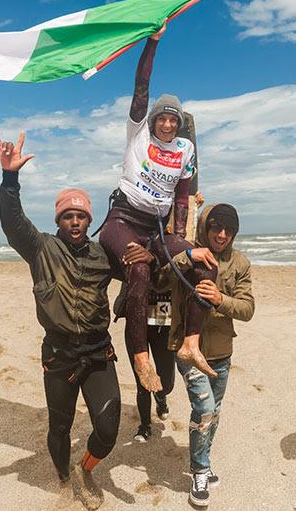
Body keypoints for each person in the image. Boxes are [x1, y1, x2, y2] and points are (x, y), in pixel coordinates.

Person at [0, 132, 154, 509]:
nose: (75, 221)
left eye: (81, 215)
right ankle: (65, 478)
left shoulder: (102, 256)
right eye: (68, 215)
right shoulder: (41, 249)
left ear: (89, 219)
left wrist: (148, 256)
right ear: (59, 220)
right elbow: (13, 223)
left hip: (98, 353)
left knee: (108, 428)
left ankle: (86, 467)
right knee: (60, 428)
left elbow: (137, 272)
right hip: (60, 356)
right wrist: (9, 180)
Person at [98, 23, 217, 389]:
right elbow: (141, 88)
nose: (167, 123)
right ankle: (140, 355)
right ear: (153, 119)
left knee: (205, 262)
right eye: (162, 117)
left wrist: (181, 242)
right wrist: (152, 42)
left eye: (173, 119)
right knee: (139, 267)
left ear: (179, 124)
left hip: (157, 229)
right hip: (122, 220)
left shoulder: (185, 150)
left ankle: (191, 343)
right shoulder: (139, 132)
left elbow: (182, 196)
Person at [164, 204, 254, 507]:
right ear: (206, 228)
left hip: (221, 352)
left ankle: (201, 460)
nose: (222, 234)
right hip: (188, 350)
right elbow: (162, 277)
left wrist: (220, 299)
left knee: (214, 411)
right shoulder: (189, 254)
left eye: (229, 230)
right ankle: (200, 471)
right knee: (203, 408)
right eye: (216, 227)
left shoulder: (240, 263)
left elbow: (247, 309)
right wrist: (186, 256)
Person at [115, 190, 206, 443]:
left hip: (164, 323)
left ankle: (162, 397)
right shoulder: (131, 242)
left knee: (166, 382)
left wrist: (193, 209)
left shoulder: (171, 246)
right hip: (137, 323)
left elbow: (192, 250)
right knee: (141, 377)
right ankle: (144, 425)